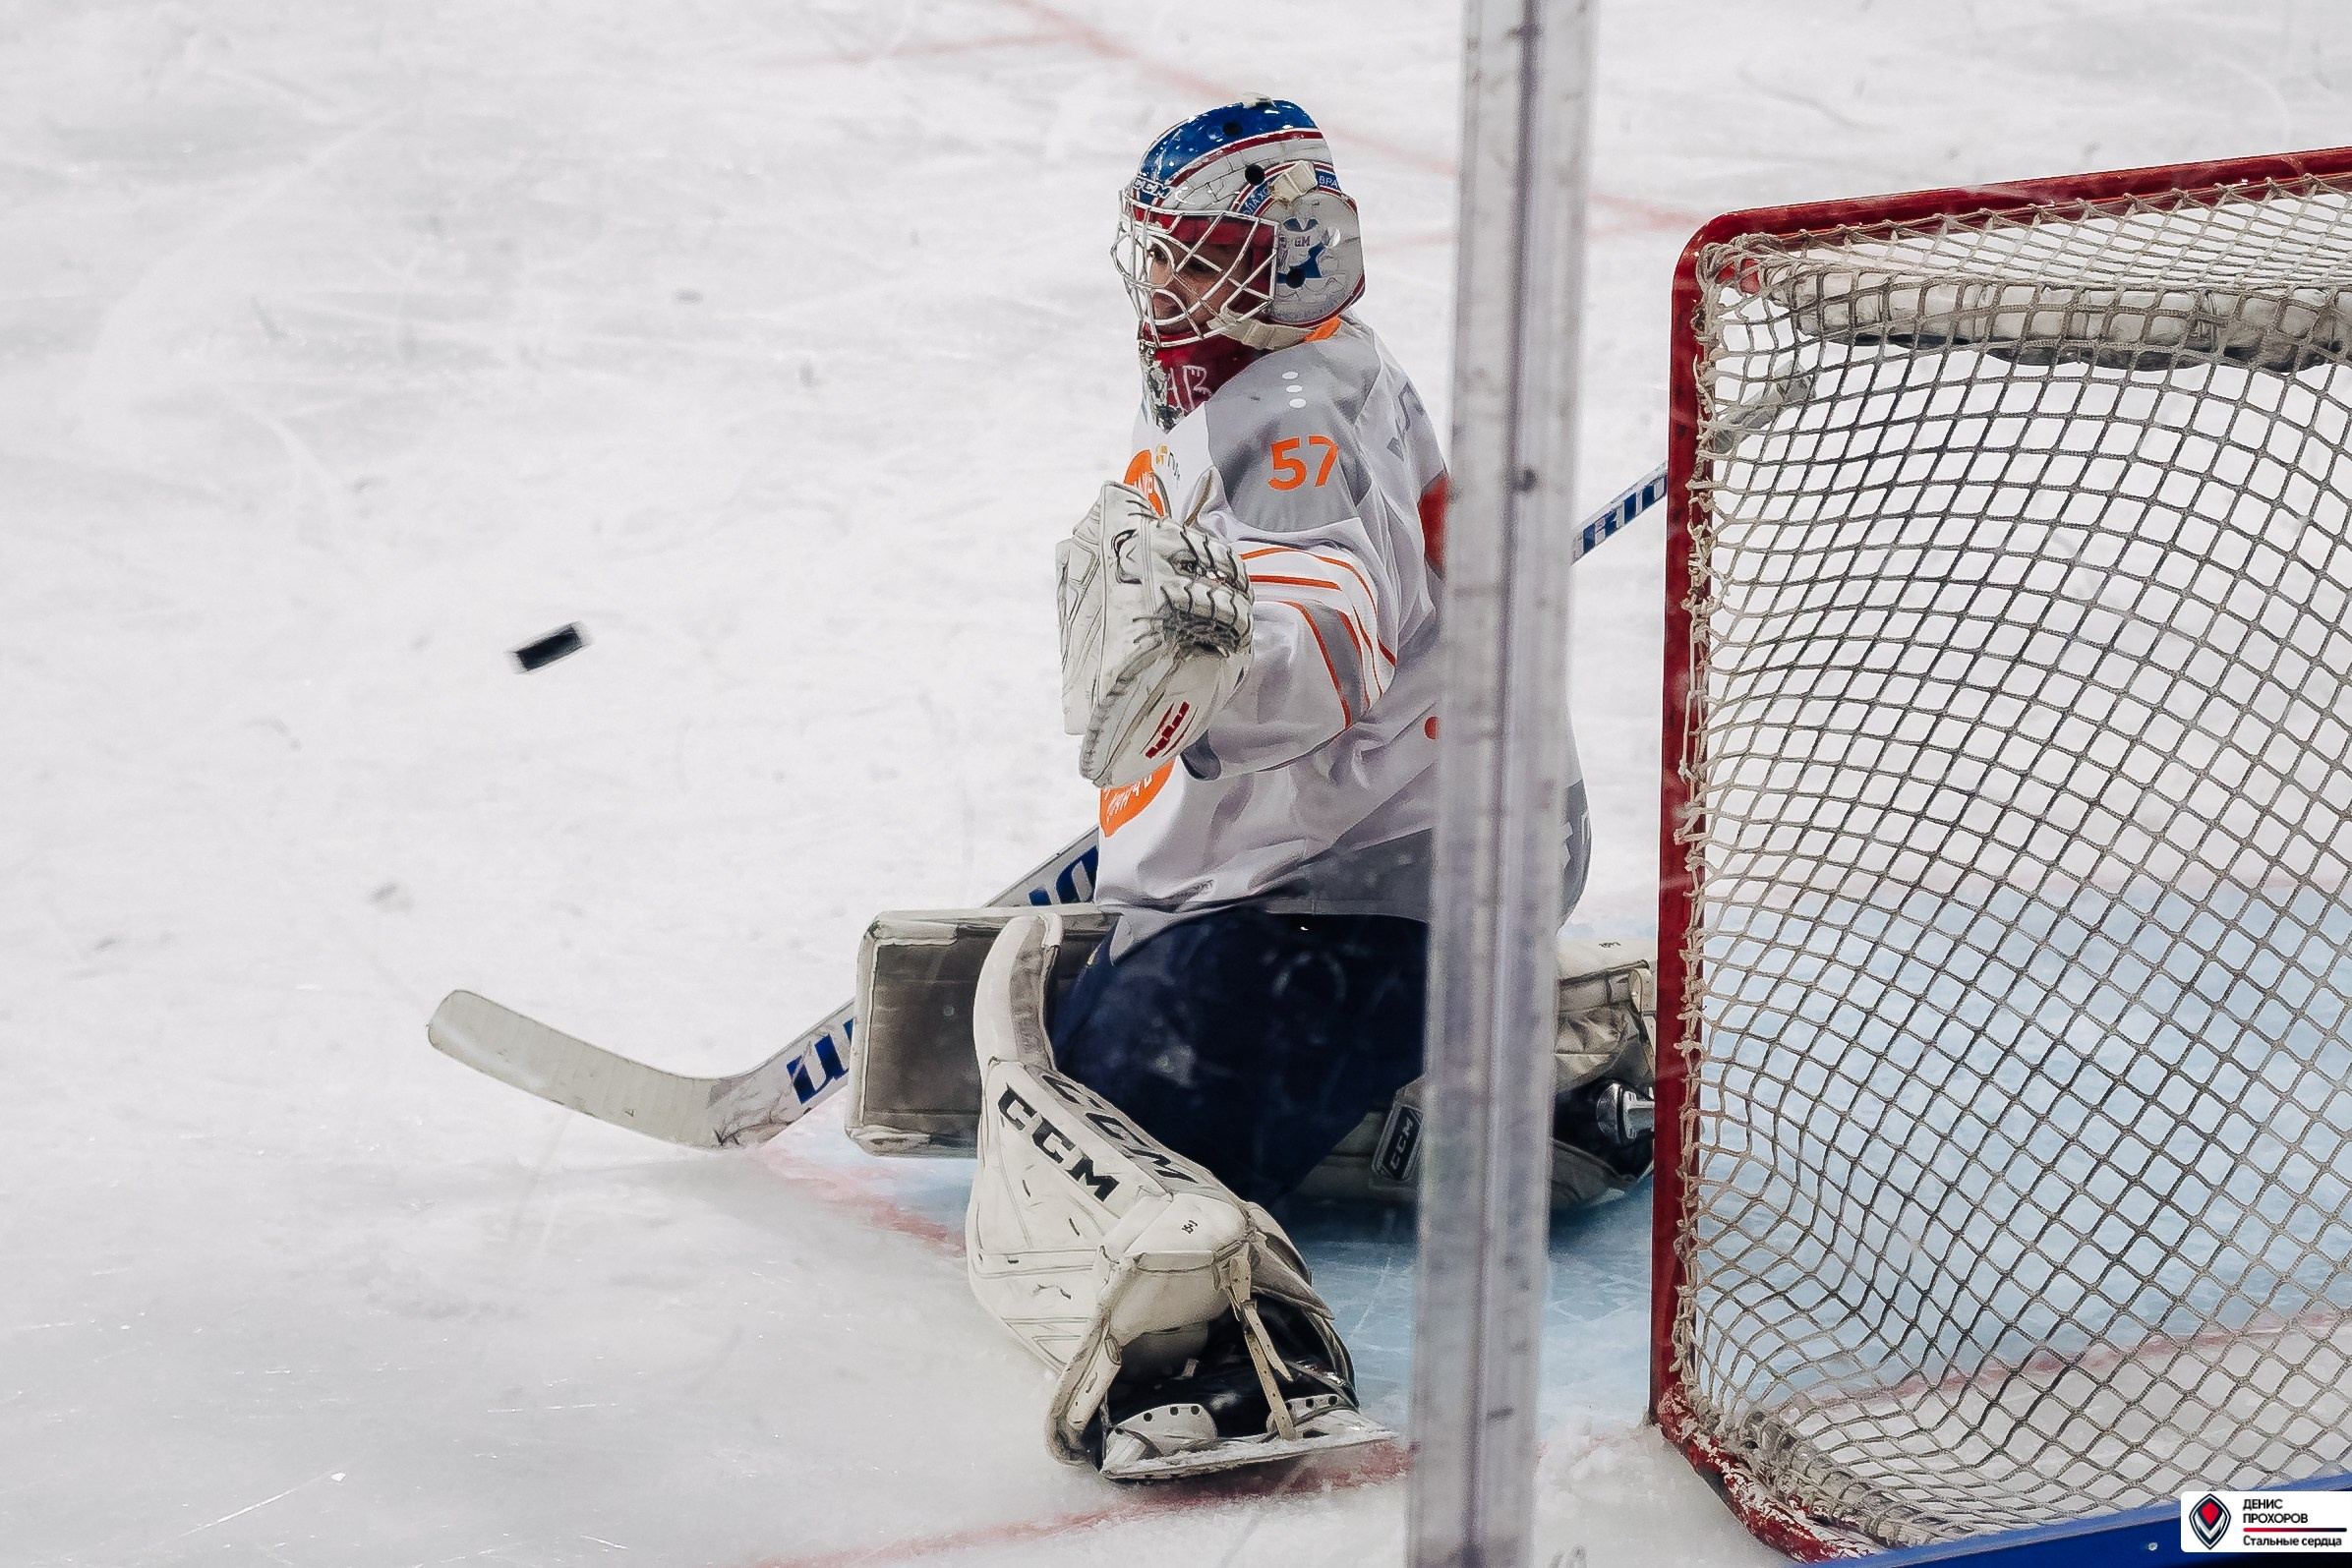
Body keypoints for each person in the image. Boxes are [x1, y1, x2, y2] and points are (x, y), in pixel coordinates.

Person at [959, 97, 1629, 1481]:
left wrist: (1195, 683)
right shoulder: (1303, 382)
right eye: (1161, 261)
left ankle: (1232, 1342)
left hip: (1370, 903)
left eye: (1198, 262)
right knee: (1111, 1034)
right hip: (1406, 870)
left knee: (1115, 1103)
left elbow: (1314, 649)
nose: (1166, 293)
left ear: (1293, 263)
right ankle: (1461, 1089)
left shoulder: (1296, 416)